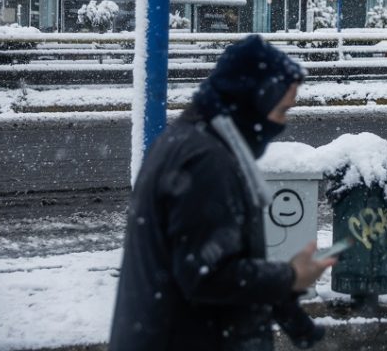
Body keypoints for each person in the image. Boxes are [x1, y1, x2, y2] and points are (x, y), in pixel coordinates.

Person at [109, 35, 336, 351]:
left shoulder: (196, 142)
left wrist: (293, 317)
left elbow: (223, 262)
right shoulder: (206, 162)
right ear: (252, 102)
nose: (282, 124)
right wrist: (289, 276)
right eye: (281, 111)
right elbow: (206, 275)